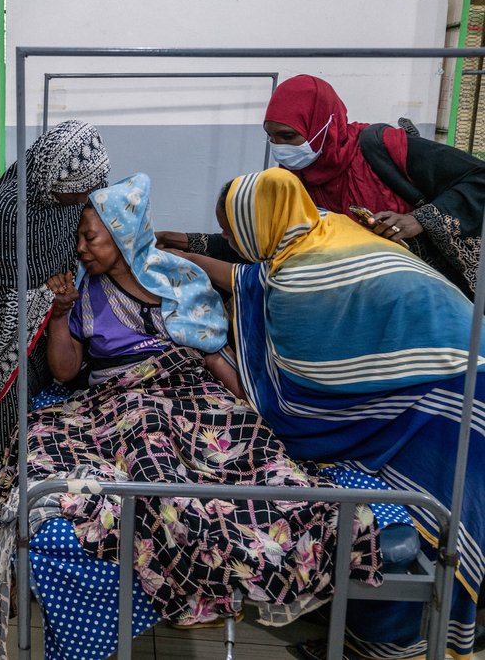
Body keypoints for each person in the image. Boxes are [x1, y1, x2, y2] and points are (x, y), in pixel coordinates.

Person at [0, 173, 385, 660]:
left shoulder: (181, 279)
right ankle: (176, 512)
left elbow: (215, 356)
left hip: (192, 391)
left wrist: (260, 419)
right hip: (121, 398)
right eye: (79, 239)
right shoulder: (83, 294)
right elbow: (67, 373)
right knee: (146, 447)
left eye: (90, 237)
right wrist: (60, 315)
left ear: (123, 231)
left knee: (249, 445)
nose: (81, 249)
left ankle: (254, 505)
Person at [203, 166, 485, 660]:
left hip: (447, 391)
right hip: (462, 355)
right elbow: (249, 275)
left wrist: (211, 358)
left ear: (257, 223)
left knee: (433, 518)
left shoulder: (300, 283)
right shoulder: (325, 226)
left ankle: (393, 649)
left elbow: (291, 403)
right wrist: (182, 251)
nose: (230, 240)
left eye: (231, 230)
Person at [159, 75, 485, 299]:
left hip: (423, 288)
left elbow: (478, 178)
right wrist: (187, 242)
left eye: (288, 136)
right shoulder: (292, 181)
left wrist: (419, 221)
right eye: (272, 137)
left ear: (324, 125)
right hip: (357, 299)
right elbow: (263, 243)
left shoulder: (383, 148)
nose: (279, 147)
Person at [0, 119, 111, 553]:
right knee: (3, 437)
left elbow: (63, 255)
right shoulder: (9, 213)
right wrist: (41, 301)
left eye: (84, 194)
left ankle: (28, 539)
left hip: (44, 335)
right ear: (50, 179)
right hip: (4, 339)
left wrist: (57, 302)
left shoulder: (63, 203)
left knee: (34, 438)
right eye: (73, 193)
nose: (78, 203)